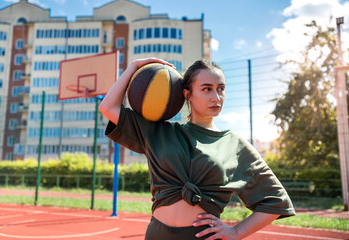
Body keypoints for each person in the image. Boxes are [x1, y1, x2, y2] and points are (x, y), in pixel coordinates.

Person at [98, 58, 295, 240]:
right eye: (207, 89)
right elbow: (108, 107)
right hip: (157, 234)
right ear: (188, 94)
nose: (216, 97)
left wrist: (235, 232)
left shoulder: (235, 145)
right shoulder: (159, 132)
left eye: (221, 89)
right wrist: (133, 67)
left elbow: (276, 201)